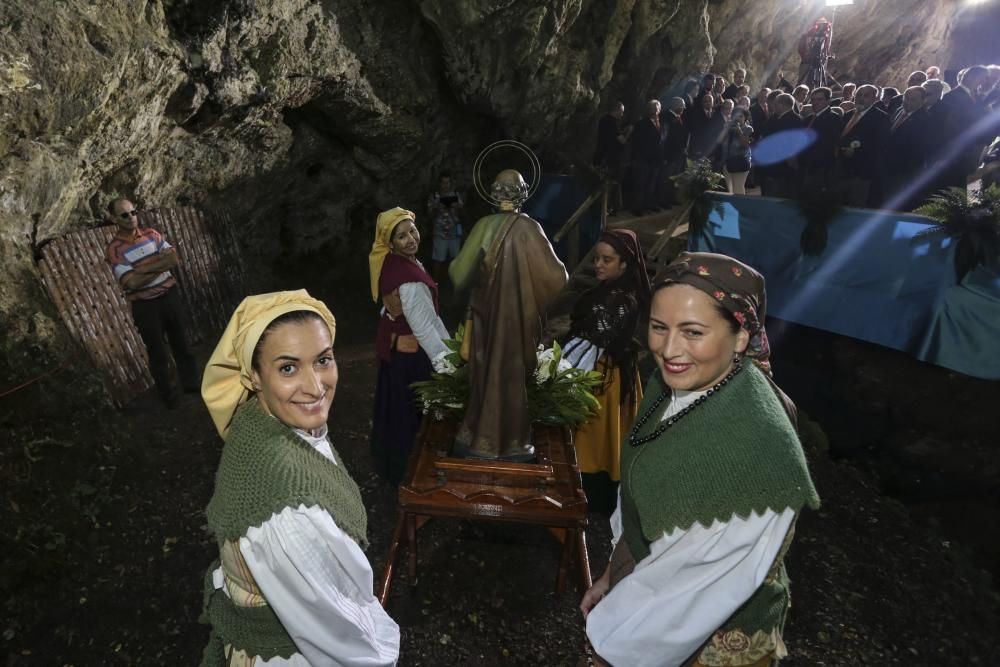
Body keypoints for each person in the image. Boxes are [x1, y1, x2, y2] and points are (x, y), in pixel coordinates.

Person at [581, 252, 820, 667]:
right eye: (659, 328)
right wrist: (610, 576)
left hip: (702, 627)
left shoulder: (755, 447)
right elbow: (642, 503)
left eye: (693, 332)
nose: (669, 349)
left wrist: (610, 638)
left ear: (741, 337)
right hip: (654, 594)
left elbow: (689, 588)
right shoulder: (668, 387)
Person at [199, 290, 400, 666]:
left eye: (323, 360)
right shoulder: (287, 512)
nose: (315, 386)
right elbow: (345, 643)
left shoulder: (260, 422)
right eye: (288, 368)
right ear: (254, 377)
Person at [449, 170, 568, 460]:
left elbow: (457, 275)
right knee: (512, 378)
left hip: (486, 321)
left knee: (484, 374)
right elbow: (558, 279)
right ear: (524, 194)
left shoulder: (483, 227)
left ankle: (475, 433)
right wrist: (528, 299)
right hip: (518, 325)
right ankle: (513, 441)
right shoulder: (531, 229)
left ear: (493, 194)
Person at [559, 230, 650, 513]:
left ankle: (588, 496)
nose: (598, 264)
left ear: (624, 264)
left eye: (607, 260)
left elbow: (589, 345)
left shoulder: (617, 300)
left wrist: (560, 375)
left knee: (593, 438)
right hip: (612, 372)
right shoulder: (610, 291)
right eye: (597, 258)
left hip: (601, 379)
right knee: (605, 439)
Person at [369, 207, 450, 484]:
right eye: (401, 236)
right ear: (390, 243)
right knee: (411, 414)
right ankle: (413, 473)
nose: (411, 239)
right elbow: (424, 327)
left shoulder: (395, 263)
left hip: (395, 355)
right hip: (409, 358)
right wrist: (447, 363)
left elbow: (403, 311)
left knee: (396, 411)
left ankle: (395, 466)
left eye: (412, 231)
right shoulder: (410, 279)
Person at [104, 197, 199, 408]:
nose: (131, 218)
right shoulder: (115, 250)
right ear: (114, 219)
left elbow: (174, 260)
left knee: (182, 342)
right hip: (146, 306)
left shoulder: (151, 234)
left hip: (169, 296)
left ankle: (193, 385)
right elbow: (132, 282)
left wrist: (144, 268)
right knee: (158, 353)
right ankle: (170, 398)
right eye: (124, 215)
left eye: (133, 212)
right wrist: (159, 264)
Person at [594, 101, 633, 215]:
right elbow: (622, 141)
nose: (622, 115)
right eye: (621, 112)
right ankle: (607, 209)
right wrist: (629, 132)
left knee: (611, 183)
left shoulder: (604, 120)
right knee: (611, 183)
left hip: (603, 156)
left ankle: (610, 208)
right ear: (616, 110)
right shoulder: (612, 123)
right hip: (610, 158)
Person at [629, 99, 667, 214]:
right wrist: (636, 158)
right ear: (648, 110)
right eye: (652, 108)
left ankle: (648, 205)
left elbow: (663, 141)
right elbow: (637, 142)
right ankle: (637, 208)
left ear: (659, 110)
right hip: (644, 158)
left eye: (656, 108)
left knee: (652, 184)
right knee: (641, 183)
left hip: (657, 159)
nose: (654, 111)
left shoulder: (663, 123)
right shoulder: (641, 124)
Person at [427, 173, 464, 284]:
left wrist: (457, 206)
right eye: (443, 182)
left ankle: (455, 282)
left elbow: (463, 213)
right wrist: (436, 207)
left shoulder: (456, 195)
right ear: (439, 183)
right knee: (439, 260)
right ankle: (436, 283)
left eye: (447, 182)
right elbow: (428, 215)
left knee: (456, 259)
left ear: (451, 183)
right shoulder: (434, 196)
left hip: (454, 233)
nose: (445, 185)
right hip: (439, 233)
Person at [721, 107, 754, 195]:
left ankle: (740, 206)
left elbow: (746, 144)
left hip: (741, 161)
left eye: (741, 116)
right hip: (727, 161)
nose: (738, 119)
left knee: (738, 187)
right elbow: (720, 142)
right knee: (729, 189)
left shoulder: (749, 129)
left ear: (745, 118)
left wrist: (739, 130)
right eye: (736, 116)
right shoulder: (728, 127)